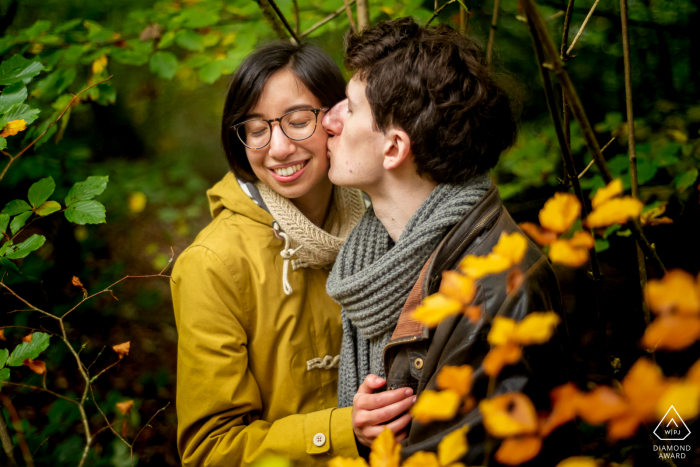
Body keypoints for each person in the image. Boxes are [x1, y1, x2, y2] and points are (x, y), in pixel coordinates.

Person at [323, 18, 574, 464]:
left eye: (350, 107)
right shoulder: (380, 259)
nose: (329, 120)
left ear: (394, 148)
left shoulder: (498, 291)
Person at [170, 41, 368, 466]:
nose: (278, 148)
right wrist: (342, 431)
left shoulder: (382, 224)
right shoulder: (213, 264)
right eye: (257, 130)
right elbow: (209, 450)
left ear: (336, 118)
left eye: (298, 121)